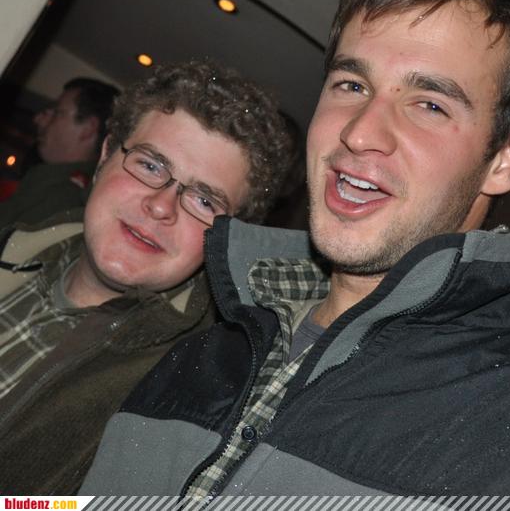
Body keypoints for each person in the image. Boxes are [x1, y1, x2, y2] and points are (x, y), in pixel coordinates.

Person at [82, 0, 510, 498]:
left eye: (429, 104)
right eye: (352, 85)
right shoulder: (199, 354)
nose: (360, 132)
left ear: (506, 159)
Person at [0, 59, 293, 494]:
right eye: (151, 166)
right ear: (105, 157)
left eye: (204, 201)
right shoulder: (9, 244)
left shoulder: (186, 396)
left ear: (225, 240)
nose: (160, 206)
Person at [0, 78, 119, 228]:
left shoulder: (63, 199)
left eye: (57, 112)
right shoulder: (51, 184)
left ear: (88, 128)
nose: (38, 119)